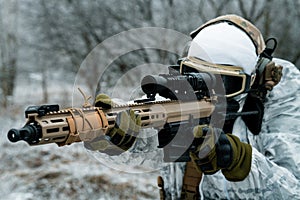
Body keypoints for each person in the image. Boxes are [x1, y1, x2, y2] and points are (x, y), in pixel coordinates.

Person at [86, 14, 300, 199]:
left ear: (253, 78)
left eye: (225, 82)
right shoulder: (181, 97)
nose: (210, 90)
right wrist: (115, 132)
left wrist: (240, 161)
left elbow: (294, 191)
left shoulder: (282, 107)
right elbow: (150, 141)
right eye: (197, 76)